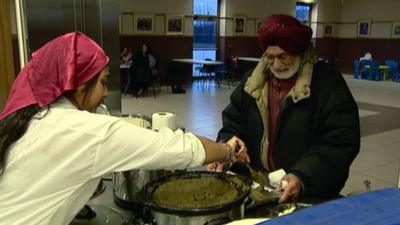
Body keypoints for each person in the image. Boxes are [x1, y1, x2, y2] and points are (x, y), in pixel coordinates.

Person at [0, 32, 248, 225]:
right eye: (104, 82)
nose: (106, 93)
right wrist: (226, 150)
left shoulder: (36, 117)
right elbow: (178, 148)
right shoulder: (85, 130)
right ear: (77, 85)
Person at [210, 14, 360, 203]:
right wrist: (227, 144)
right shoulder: (252, 82)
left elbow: (339, 142)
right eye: (270, 57)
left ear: (300, 52)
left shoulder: (327, 84)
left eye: (283, 57)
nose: (277, 65)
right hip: (260, 184)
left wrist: (301, 177)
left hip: (309, 190)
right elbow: (234, 121)